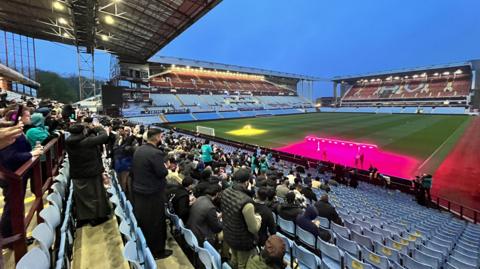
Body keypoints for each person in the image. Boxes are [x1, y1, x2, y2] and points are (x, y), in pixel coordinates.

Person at [131, 128, 172, 259]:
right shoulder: (156, 153)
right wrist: (166, 167)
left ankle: (147, 246)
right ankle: (157, 251)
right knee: (155, 221)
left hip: (140, 190)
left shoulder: (139, 149)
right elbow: (162, 173)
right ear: (156, 138)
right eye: (160, 136)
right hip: (152, 193)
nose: (161, 139)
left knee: (145, 220)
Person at [65, 123, 110, 226]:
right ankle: (96, 218)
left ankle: (84, 217)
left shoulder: (68, 142)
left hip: (77, 173)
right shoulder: (87, 142)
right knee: (94, 196)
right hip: (91, 173)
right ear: (83, 131)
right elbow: (104, 136)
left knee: (82, 198)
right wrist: (98, 127)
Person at [222, 168, 262, 269]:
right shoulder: (247, 202)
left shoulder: (225, 191)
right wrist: (258, 218)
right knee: (242, 265)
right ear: (247, 182)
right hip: (242, 241)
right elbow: (253, 229)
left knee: (234, 259)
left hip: (230, 235)